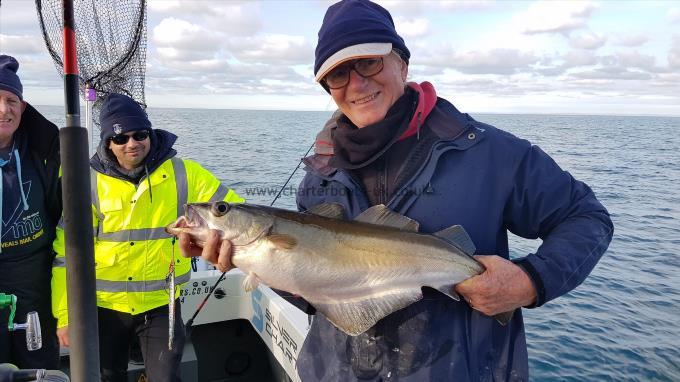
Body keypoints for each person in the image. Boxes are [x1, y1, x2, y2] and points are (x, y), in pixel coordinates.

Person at [181, 0, 614, 380]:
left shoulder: (493, 154)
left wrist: (530, 280)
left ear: (402, 63)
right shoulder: (319, 174)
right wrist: (256, 264)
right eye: (337, 75)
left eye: (368, 62)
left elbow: (586, 217)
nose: (357, 84)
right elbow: (318, 292)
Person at [51, 93, 244, 382]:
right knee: (106, 376)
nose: (132, 143)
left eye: (140, 134)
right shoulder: (86, 180)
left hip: (161, 303)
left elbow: (236, 214)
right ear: (107, 143)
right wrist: (66, 316)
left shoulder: (185, 173)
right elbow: (68, 254)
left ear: (150, 134)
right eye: (120, 138)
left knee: (166, 378)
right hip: (104, 307)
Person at [0, 55, 61, 370]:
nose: (3, 109)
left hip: (34, 277)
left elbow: (63, 210)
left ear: (22, 107)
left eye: (11, 100)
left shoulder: (44, 149)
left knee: (37, 365)